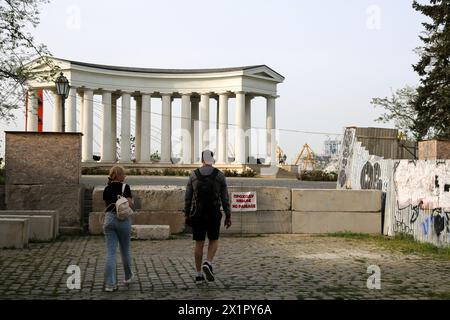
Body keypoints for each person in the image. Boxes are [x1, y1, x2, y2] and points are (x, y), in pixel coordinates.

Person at [184, 150, 232, 283]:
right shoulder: (219, 175)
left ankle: (199, 274)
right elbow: (225, 198)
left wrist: (187, 214)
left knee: (199, 243)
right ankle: (208, 262)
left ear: (202, 160)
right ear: (212, 160)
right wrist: (228, 215)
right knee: (214, 239)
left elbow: (188, 197)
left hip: (198, 213)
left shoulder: (193, 175)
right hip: (214, 212)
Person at [102, 165, 135, 292]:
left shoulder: (107, 188)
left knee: (110, 252)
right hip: (123, 220)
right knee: (125, 250)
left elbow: (106, 206)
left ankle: (110, 284)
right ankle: (127, 277)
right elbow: (131, 204)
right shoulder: (125, 187)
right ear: (121, 175)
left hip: (109, 219)